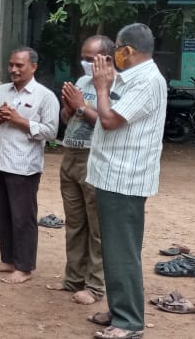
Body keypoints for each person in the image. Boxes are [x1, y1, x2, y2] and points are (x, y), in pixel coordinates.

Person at [87, 24, 167, 339]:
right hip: (112, 175)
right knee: (114, 248)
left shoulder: (148, 81)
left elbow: (108, 120)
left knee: (122, 251)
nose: (112, 55)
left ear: (128, 51)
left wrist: (101, 88)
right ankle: (119, 308)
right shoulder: (132, 78)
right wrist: (107, 85)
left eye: (116, 48)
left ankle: (129, 322)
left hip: (125, 178)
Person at [45, 36, 115, 305]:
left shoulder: (115, 85)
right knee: (74, 223)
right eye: (83, 57)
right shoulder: (83, 82)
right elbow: (69, 118)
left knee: (97, 227)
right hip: (70, 156)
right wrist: (68, 108)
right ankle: (73, 279)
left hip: (93, 157)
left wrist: (81, 107)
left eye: (90, 58)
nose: (84, 63)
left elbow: (109, 122)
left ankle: (95, 286)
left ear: (107, 58)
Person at [0, 47, 58, 284]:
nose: (13, 69)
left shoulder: (45, 96)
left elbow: (51, 131)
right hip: (1, 161)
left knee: (23, 217)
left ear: (33, 67)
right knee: (3, 214)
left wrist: (19, 120)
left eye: (19, 65)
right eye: (11, 65)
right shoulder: (1, 91)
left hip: (25, 167)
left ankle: (24, 267)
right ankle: (8, 260)